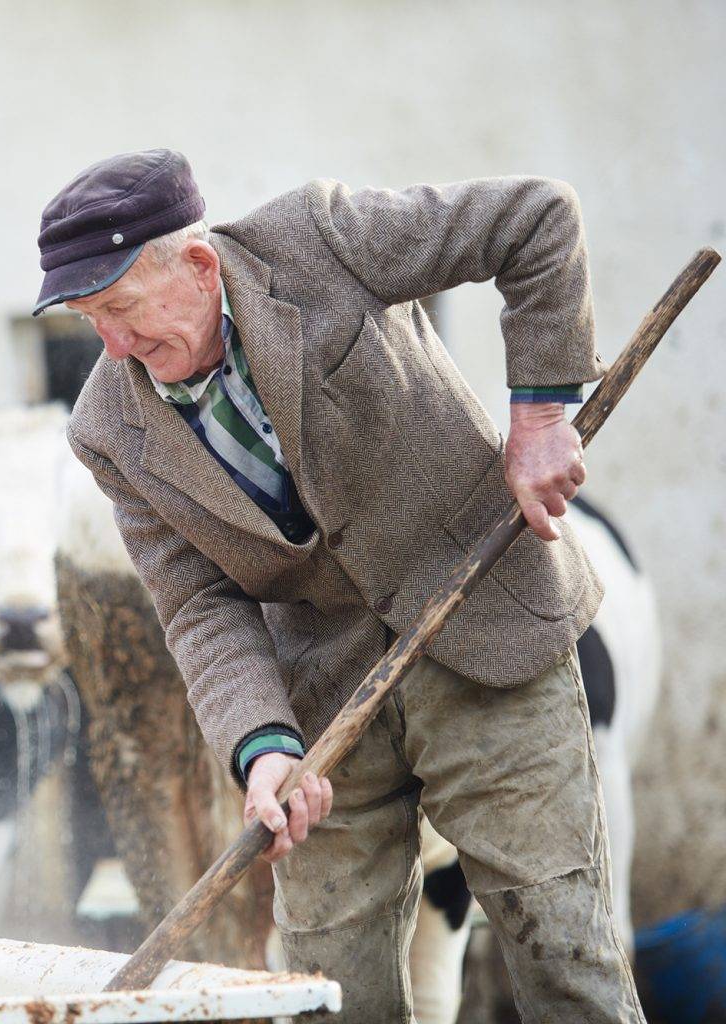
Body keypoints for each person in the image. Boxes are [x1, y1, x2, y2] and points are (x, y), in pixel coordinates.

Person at [41, 149, 643, 1022]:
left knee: (561, 953)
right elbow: (199, 604)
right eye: (92, 320)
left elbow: (536, 220)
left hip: (485, 628)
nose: (115, 345)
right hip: (321, 705)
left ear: (200, 266)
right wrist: (261, 746)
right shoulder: (106, 428)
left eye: (124, 309)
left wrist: (541, 412)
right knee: (328, 988)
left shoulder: (319, 242)